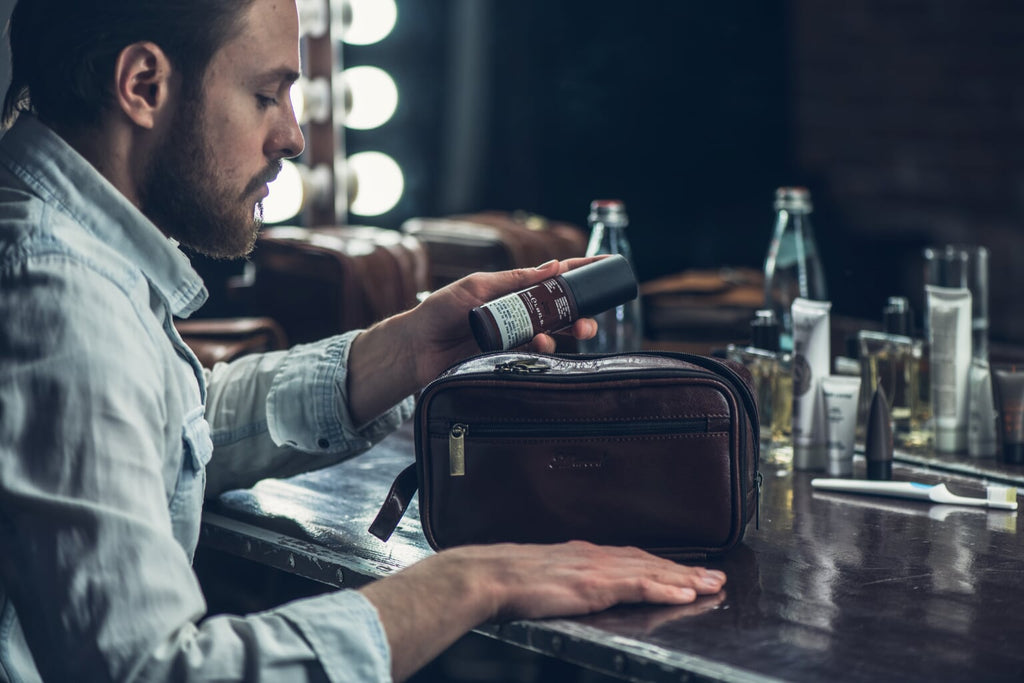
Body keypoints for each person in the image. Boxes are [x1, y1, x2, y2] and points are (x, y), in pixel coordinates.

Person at [0, 0, 727, 681]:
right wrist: (474, 578)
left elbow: (171, 418)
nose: (291, 135)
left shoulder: (65, 252)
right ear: (144, 84)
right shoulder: (59, 297)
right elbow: (159, 671)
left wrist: (411, 349)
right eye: (266, 94)